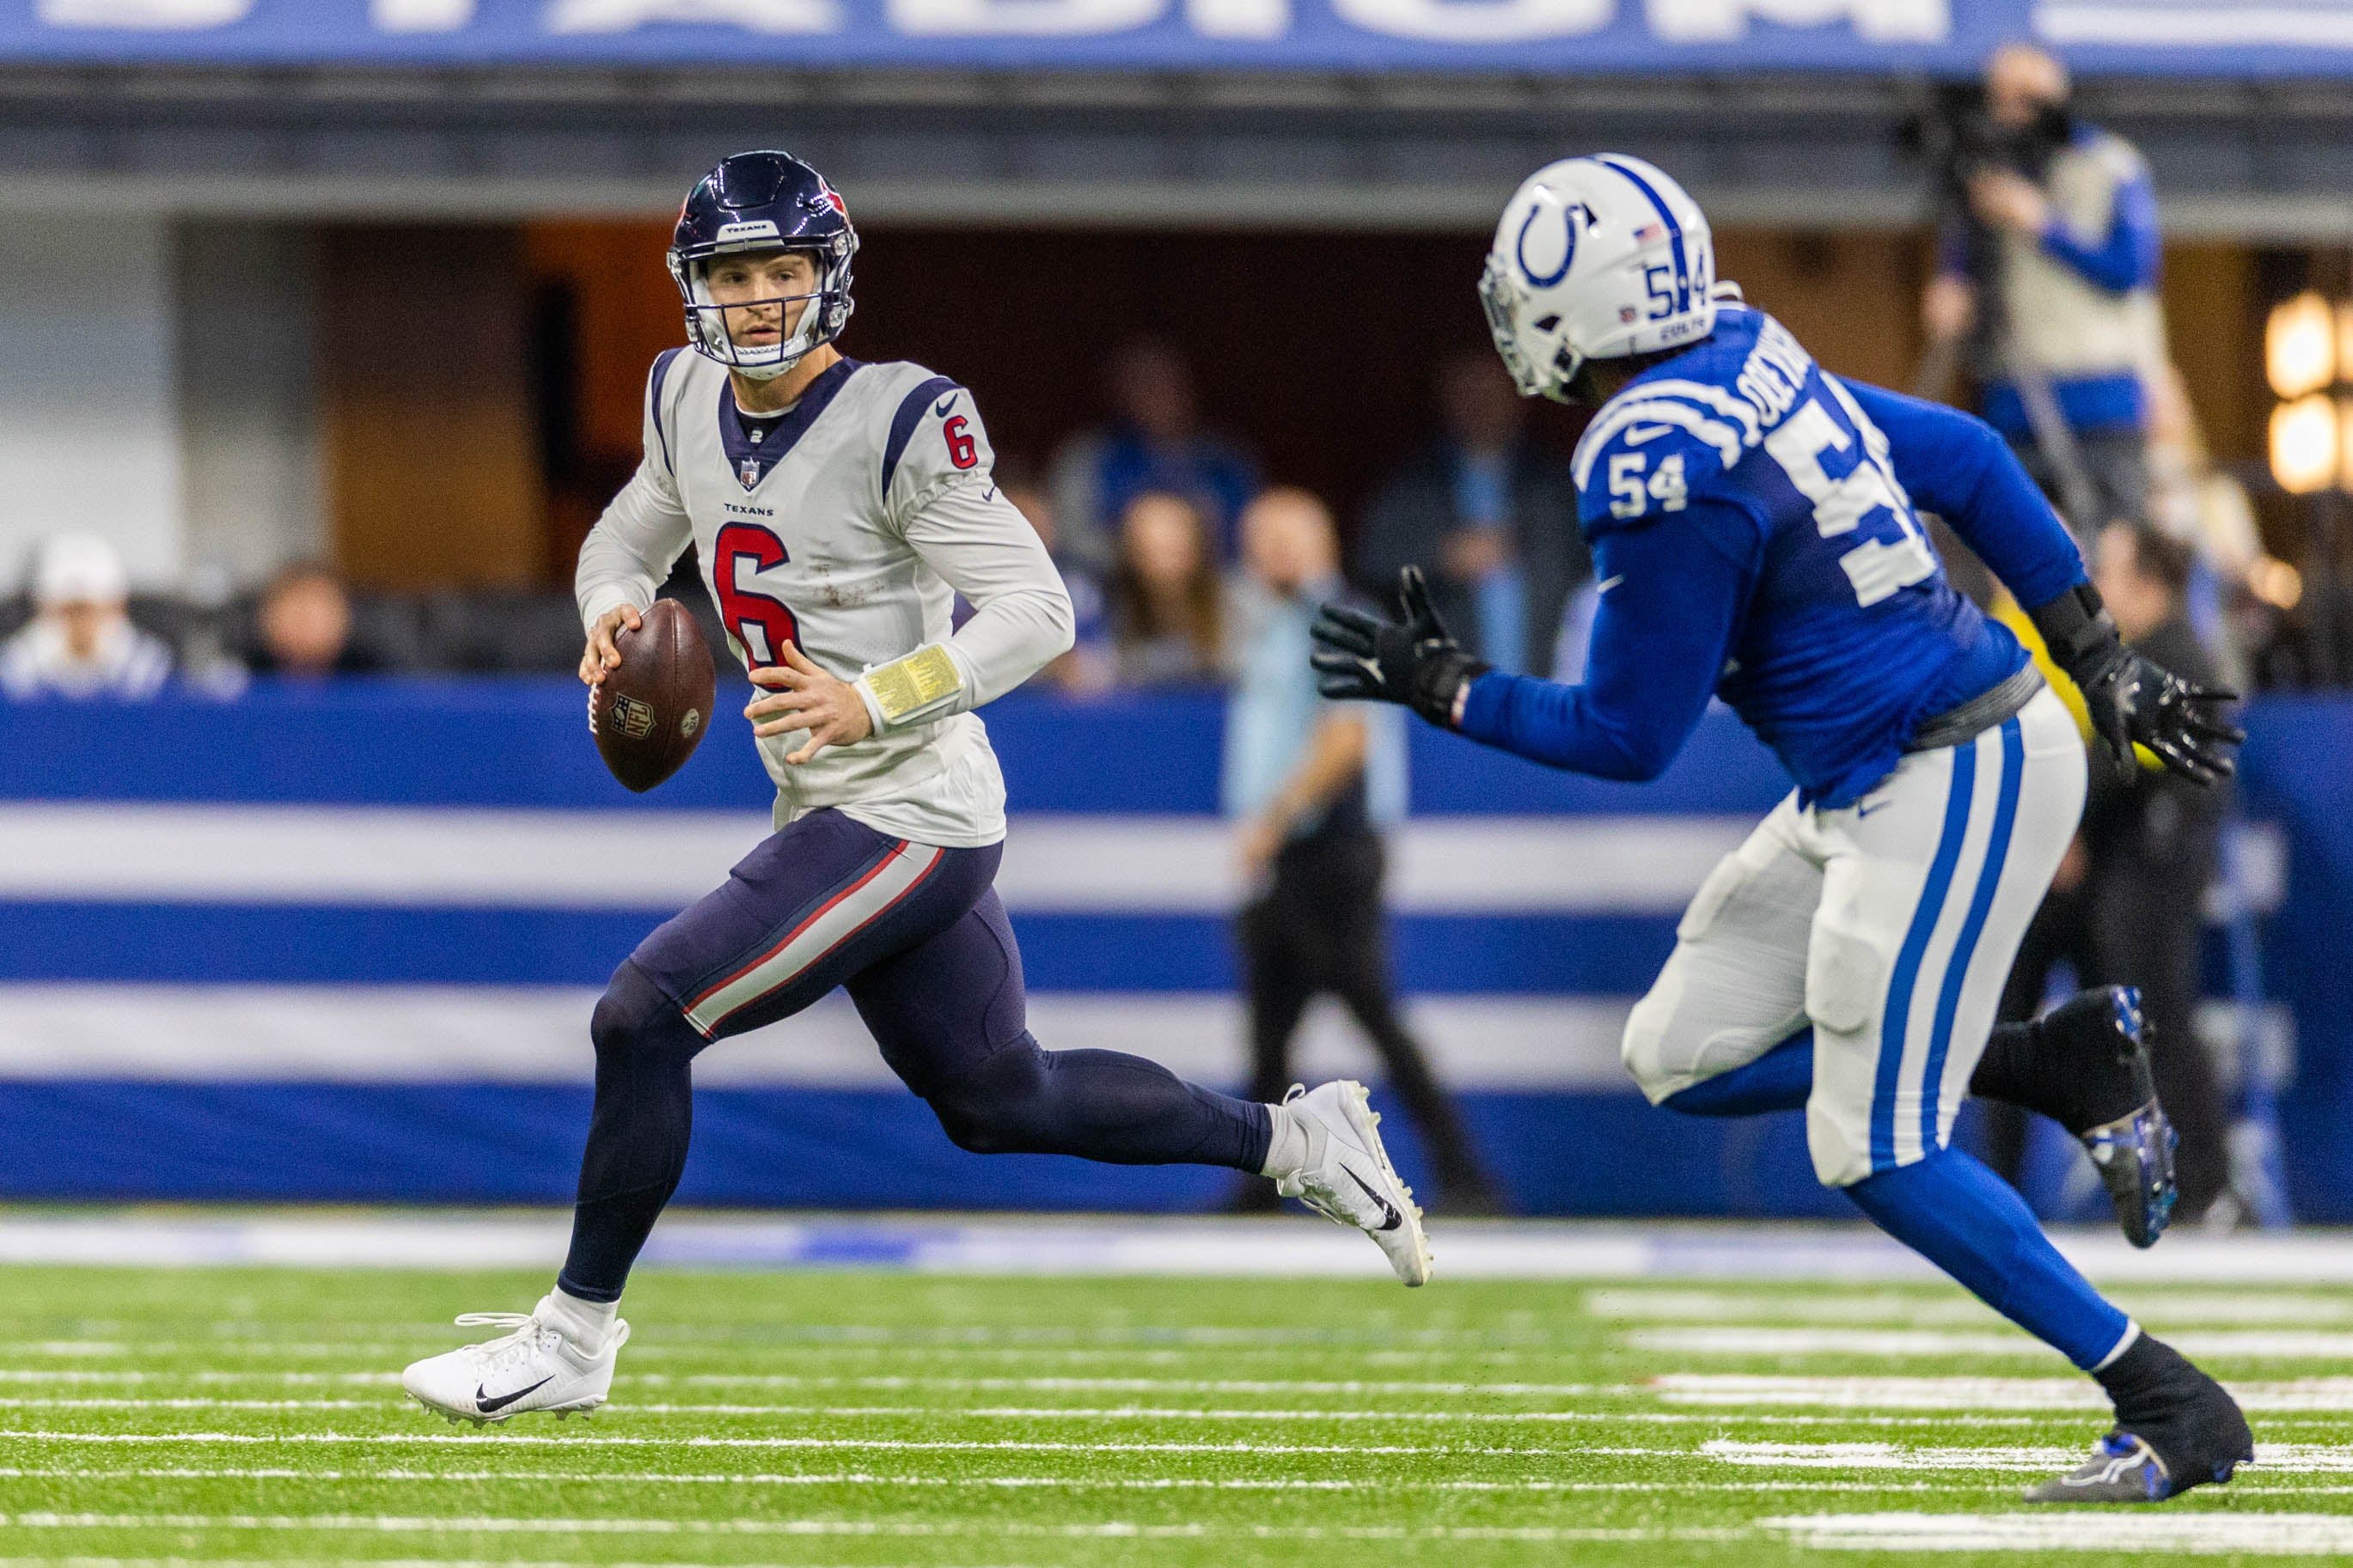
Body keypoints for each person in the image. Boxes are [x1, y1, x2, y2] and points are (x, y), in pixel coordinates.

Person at [400, 151, 1427, 1427]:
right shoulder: (681, 395)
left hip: (904, 809)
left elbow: (1040, 610)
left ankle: (573, 1338)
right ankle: (1294, 1140)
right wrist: (615, 610)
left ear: (827, 278)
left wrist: (873, 694)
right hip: (839, 806)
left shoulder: (898, 418)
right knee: (1003, 1098)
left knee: (642, 1015)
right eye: (734, 273)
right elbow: (624, 537)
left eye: (784, 270)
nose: (761, 298)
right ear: (694, 286)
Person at [1323, 155, 2248, 1504]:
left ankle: (2170, 1402)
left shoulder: (1650, 455)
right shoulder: (1746, 348)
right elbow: (1967, 459)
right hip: (1878, 777)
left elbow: (1626, 734)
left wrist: (1449, 687)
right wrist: (2093, 651)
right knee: (1679, 1054)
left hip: (1952, 764)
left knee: (1871, 1144)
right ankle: (2043, 1059)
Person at [1225, 488, 1502, 1216]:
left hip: (1330, 850)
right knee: (1269, 1024)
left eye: (1290, 535)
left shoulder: (1336, 620)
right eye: (1264, 537)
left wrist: (1273, 819)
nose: (1275, 551)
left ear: (1325, 542)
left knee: (1371, 1011)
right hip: (1293, 852)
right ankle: (1257, 1181)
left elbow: (1347, 739)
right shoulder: (1274, 624)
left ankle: (1464, 1169)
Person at [1993, 523, 2233, 1221]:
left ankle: (2204, 1184)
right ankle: (2181, 1185)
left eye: (2115, 572)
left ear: (2150, 581)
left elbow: (2117, 761)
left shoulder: (2173, 655)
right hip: (2114, 876)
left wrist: (2066, 825)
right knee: (2122, 1030)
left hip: (2146, 878)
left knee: (2156, 1025)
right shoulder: (2142, 655)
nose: (2102, 588)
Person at [1922, 41, 2164, 532]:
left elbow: (2132, 269)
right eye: (2001, 97)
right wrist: (1950, 286)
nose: (2012, 112)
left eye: (2027, 98)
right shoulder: (1985, 166)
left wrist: (2043, 225)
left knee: (2111, 545)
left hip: (2101, 396)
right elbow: (1964, 254)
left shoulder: (2111, 165)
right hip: (2013, 392)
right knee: (2011, 542)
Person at [1355, 350, 1587, 674]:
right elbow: (1371, 567)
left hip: (1546, 686)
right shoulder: (1411, 484)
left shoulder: (1553, 482)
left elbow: (1590, 572)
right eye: (1467, 392)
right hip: (1445, 690)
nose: (1480, 405)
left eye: (1490, 392)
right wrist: (1442, 559)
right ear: (1445, 400)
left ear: (1517, 398)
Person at [1048, 339, 1259, 569]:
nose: (1160, 395)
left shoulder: (1224, 459)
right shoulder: (1090, 455)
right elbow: (1073, 535)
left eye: (1170, 384)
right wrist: (1141, 556)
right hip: (1118, 587)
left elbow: (1252, 535)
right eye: (1145, 385)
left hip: (1218, 586)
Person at [0, 533, 173, 700]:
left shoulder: (150, 668)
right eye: (69, 611)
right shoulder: (14, 668)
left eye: (90, 611)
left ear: (118, 608)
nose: (81, 624)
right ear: (42, 609)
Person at [1107, 489, 1224, 687]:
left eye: (1173, 549)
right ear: (1132, 553)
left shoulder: (1231, 611)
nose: (1163, 564)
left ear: (1196, 548)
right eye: (1150, 550)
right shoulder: (1108, 609)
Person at [244, 562, 383, 678]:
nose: (304, 624)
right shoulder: (243, 676)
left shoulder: (375, 679)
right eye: (295, 613)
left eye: (316, 613)